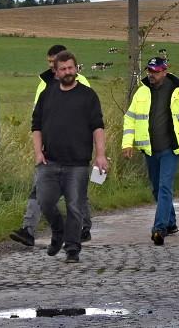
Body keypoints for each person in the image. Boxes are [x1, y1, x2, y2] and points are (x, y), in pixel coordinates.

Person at [10, 44, 92, 248]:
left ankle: (84, 227)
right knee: (39, 189)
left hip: (75, 150)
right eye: (49, 63)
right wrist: (39, 146)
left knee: (76, 193)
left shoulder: (82, 84)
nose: (52, 67)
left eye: (54, 63)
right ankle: (28, 230)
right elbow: (38, 116)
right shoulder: (44, 84)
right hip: (49, 149)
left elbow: (90, 118)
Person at [32, 50, 108, 263]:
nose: (68, 72)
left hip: (78, 163)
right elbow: (36, 125)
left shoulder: (88, 96)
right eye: (63, 69)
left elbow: (98, 127)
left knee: (75, 205)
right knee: (45, 201)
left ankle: (72, 248)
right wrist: (38, 152)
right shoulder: (47, 95)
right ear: (55, 72)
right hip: (49, 161)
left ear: (76, 68)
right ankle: (58, 232)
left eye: (71, 68)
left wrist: (100, 155)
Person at [121, 57, 179, 245]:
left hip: (171, 149)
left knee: (165, 187)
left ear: (165, 71)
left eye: (155, 71)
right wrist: (127, 144)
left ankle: (159, 229)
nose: (152, 74)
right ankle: (171, 222)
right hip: (149, 149)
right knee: (157, 189)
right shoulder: (141, 92)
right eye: (150, 70)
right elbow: (130, 119)